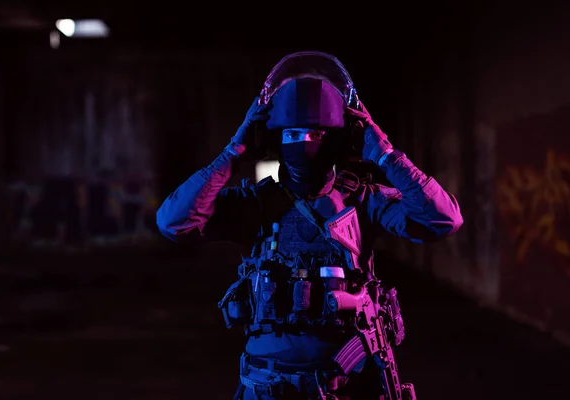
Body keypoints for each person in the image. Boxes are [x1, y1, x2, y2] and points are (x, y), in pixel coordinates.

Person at [156, 52, 463, 400]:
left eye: (316, 132)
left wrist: (386, 155)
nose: (304, 143)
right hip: (268, 387)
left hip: (347, 387)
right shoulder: (254, 205)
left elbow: (443, 219)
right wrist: (233, 154)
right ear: (272, 139)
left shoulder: (362, 201)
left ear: (337, 138)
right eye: (293, 133)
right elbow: (173, 222)